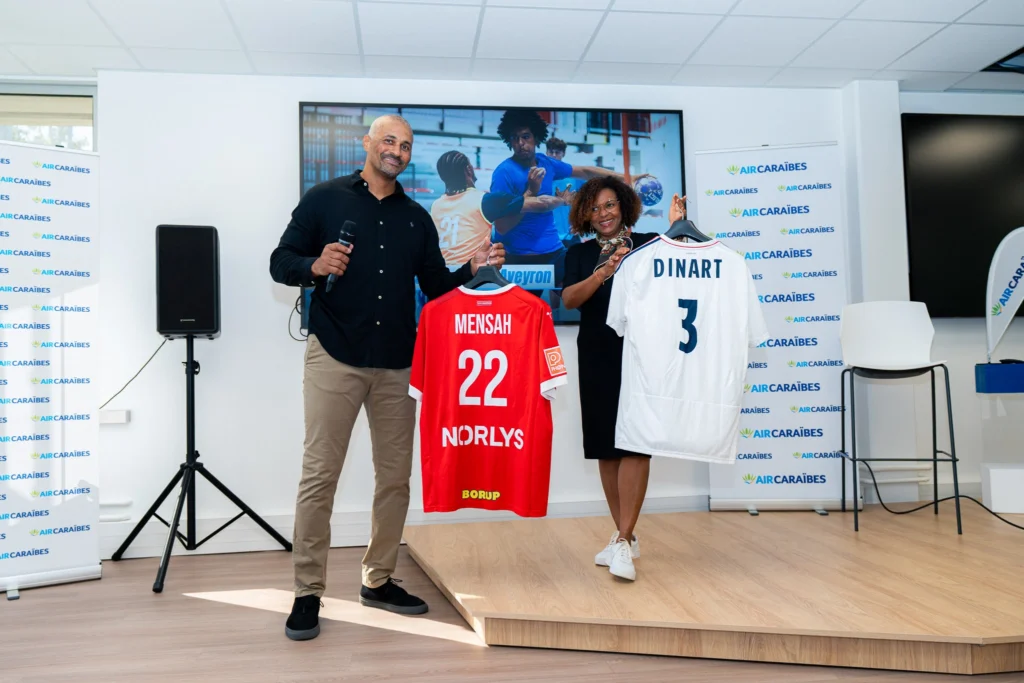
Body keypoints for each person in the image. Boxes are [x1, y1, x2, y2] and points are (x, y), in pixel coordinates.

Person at [269, 114, 506, 641]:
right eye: (389, 141)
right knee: (319, 477)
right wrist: (313, 264)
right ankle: (307, 592)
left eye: (406, 144)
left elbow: (437, 286)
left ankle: (377, 580)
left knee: (395, 478)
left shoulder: (416, 218)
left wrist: (472, 271)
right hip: (334, 354)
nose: (397, 150)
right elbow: (279, 261)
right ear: (369, 145)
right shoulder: (324, 200)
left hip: (399, 363)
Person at [561, 177, 687, 582]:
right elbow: (569, 299)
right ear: (585, 214)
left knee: (636, 442)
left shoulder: (650, 243)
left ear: (625, 206)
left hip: (640, 354)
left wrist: (676, 227)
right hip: (596, 354)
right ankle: (623, 538)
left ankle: (624, 538)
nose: (603, 214)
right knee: (606, 448)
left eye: (610, 205)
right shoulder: (579, 255)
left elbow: (680, 262)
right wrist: (604, 271)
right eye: (595, 208)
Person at [489, 109, 627, 303]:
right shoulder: (503, 173)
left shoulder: (547, 163)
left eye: (526, 136)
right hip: (521, 258)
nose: (521, 143)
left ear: (536, 137)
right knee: (522, 315)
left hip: (554, 252)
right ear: (509, 141)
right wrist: (531, 191)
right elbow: (502, 226)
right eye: (515, 138)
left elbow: (585, 170)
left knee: (591, 294)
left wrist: (625, 178)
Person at [430, 150, 564, 268]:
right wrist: (564, 200)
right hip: (472, 276)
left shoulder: (436, 205)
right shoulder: (483, 200)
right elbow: (542, 204)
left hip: (443, 275)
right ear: (469, 169)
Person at [545, 137, 581, 250]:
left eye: (557, 152)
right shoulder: (538, 178)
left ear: (563, 154)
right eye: (551, 152)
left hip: (570, 236)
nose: (554, 155)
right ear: (546, 153)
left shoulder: (574, 177)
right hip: (548, 237)